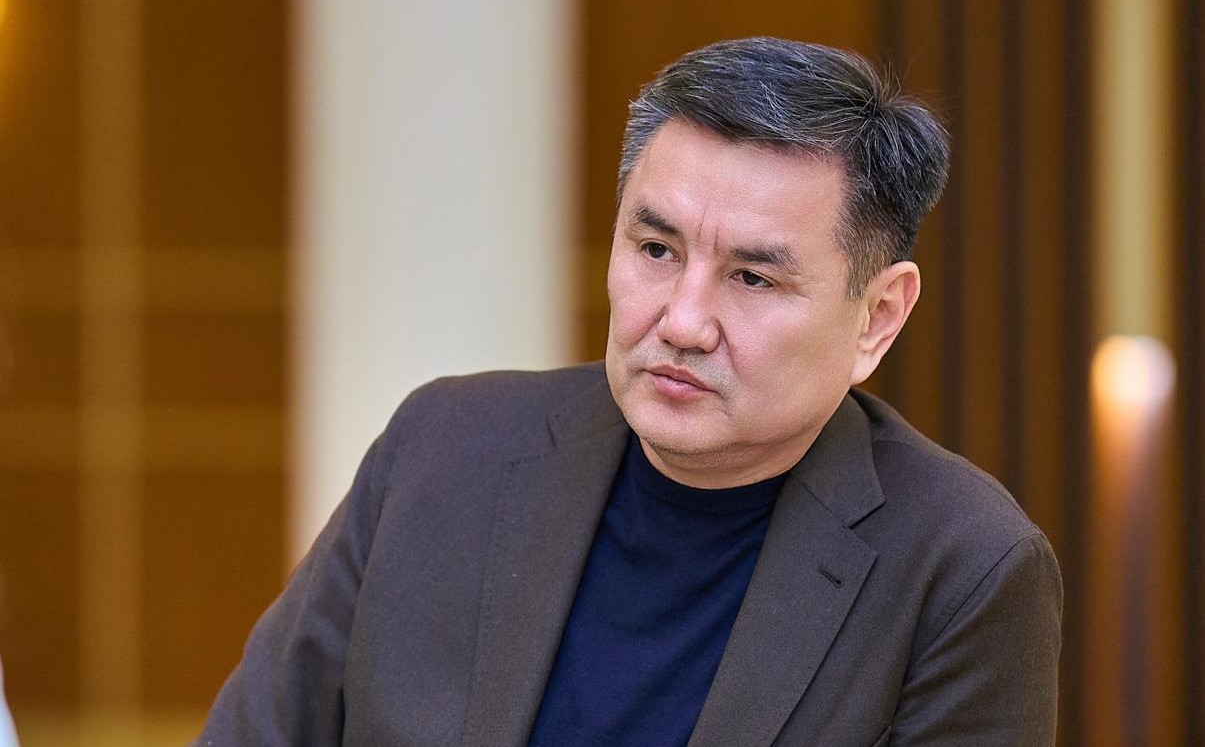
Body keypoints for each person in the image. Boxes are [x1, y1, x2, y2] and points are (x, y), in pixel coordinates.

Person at [194, 37, 1061, 746]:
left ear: (877, 317)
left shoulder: (964, 569)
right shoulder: (440, 450)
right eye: (655, 250)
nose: (682, 320)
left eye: (752, 277)